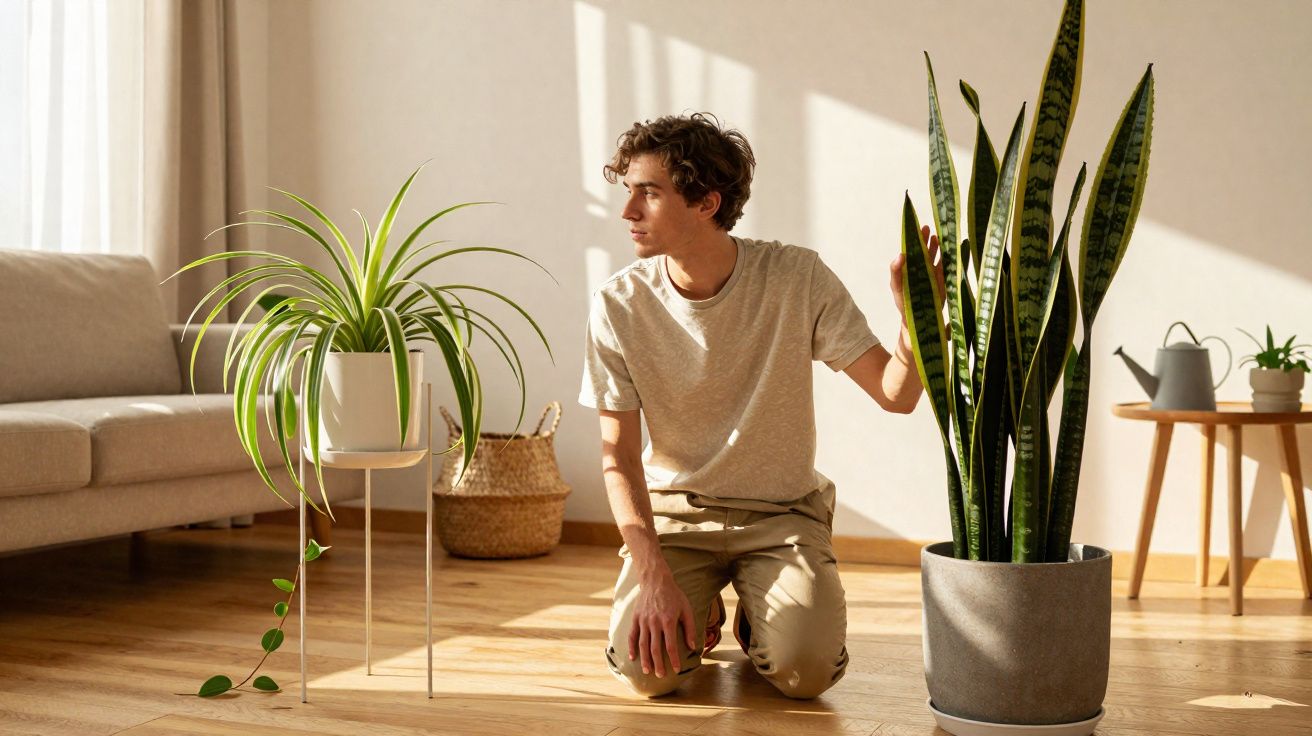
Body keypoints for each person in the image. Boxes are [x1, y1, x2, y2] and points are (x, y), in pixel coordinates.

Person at [578, 112, 943, 700]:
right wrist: (652, 574)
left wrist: (915, 320)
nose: (627, 212)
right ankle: (699, 611)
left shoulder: (797, 277)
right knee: (648, 674)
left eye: (649, 193)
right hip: (674, 518)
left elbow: (896, 395)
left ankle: (755, 617)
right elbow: (618, 459)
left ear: (706, 203)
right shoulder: (619, 304)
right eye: (628, 192)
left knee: (805, 674)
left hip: (780, 516)